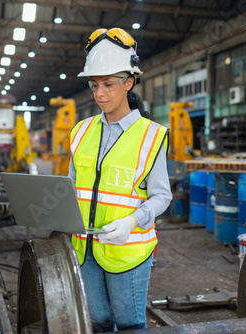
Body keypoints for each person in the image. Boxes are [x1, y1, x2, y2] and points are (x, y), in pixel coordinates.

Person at [68, 28, 172, 332]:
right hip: (84, 247)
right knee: (98, 321)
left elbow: (162, 196)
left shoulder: (152, 136)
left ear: (128, 82)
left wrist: (132, 222)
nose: (100, 93)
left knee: (130, 324)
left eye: (109, 84)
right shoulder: (81, 131)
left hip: (128, 249)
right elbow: (70, 186)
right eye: (94, 85)